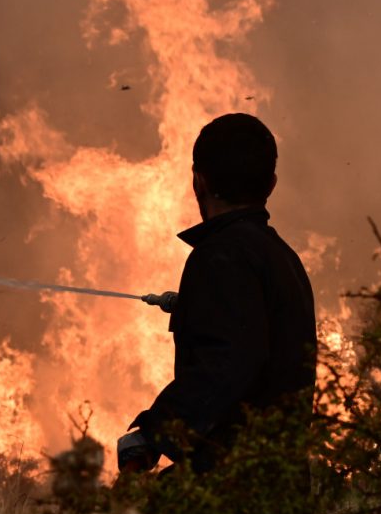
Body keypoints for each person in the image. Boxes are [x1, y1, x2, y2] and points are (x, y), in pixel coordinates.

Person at [118, 113, 317, 476]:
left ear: (198, 181)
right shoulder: (282, 258)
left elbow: (227, 363)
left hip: (232, 484)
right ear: (271, 183)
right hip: (283, 481)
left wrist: (154, 435)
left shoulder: (220, 256)